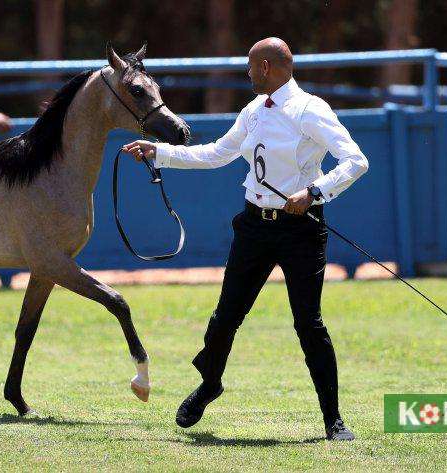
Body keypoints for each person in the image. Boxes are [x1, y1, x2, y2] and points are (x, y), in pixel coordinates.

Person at [122, 37, 368, 441]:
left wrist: (315, 192)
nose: (247, 74)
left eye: (251, 67)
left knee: (309, 324)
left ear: (268, 67)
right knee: (224, 319)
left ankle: (333, 420)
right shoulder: (254, 110)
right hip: (254, 227)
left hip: (300, 231)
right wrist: (160, 152)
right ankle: (209, 385)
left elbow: (356, 160)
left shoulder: (310, 110)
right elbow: (217, 153)